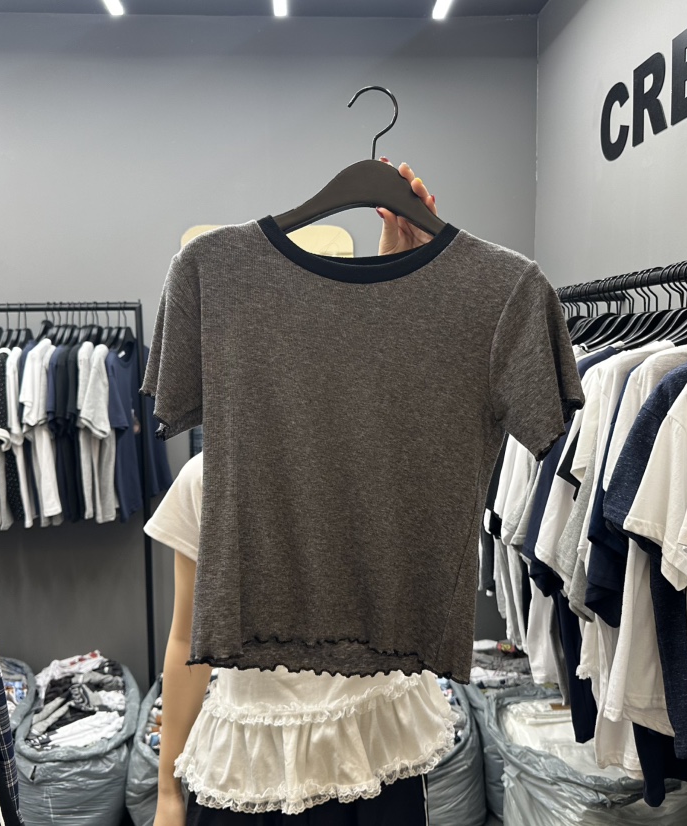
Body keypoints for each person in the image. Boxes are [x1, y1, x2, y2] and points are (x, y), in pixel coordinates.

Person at [147, 162, 455, 826]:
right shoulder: (208, 481)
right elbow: (185, 639)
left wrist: (404, 277)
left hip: (376, 756)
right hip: (252, 769)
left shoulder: (392, 457)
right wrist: (168, 791)